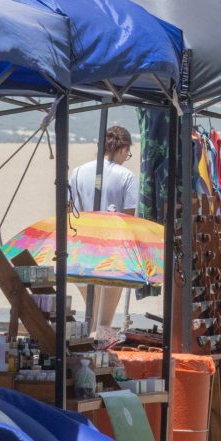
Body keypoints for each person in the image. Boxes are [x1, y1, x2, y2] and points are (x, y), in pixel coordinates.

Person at [68, 126, 138, 333]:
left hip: (81, 248)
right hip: (112, 253)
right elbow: (129, 218)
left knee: (91, 314)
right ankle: (99, 361)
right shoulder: (126, 176)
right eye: (128, 153)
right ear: (123, 149)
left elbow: (70, 209)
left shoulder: (78, 172)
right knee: (105, 323)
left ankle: (85, 357)